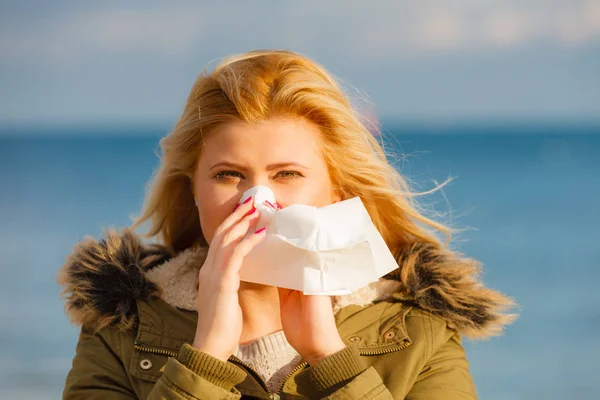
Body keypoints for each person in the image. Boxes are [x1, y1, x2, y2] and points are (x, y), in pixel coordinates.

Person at [58, 50, 516, 399]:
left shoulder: (420, 331)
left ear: (337, 192)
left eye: (287, 174)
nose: (257, 202)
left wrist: (331, 358)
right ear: (194, 189)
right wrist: (205, 357)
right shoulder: (119, 329)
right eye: (228, 175)